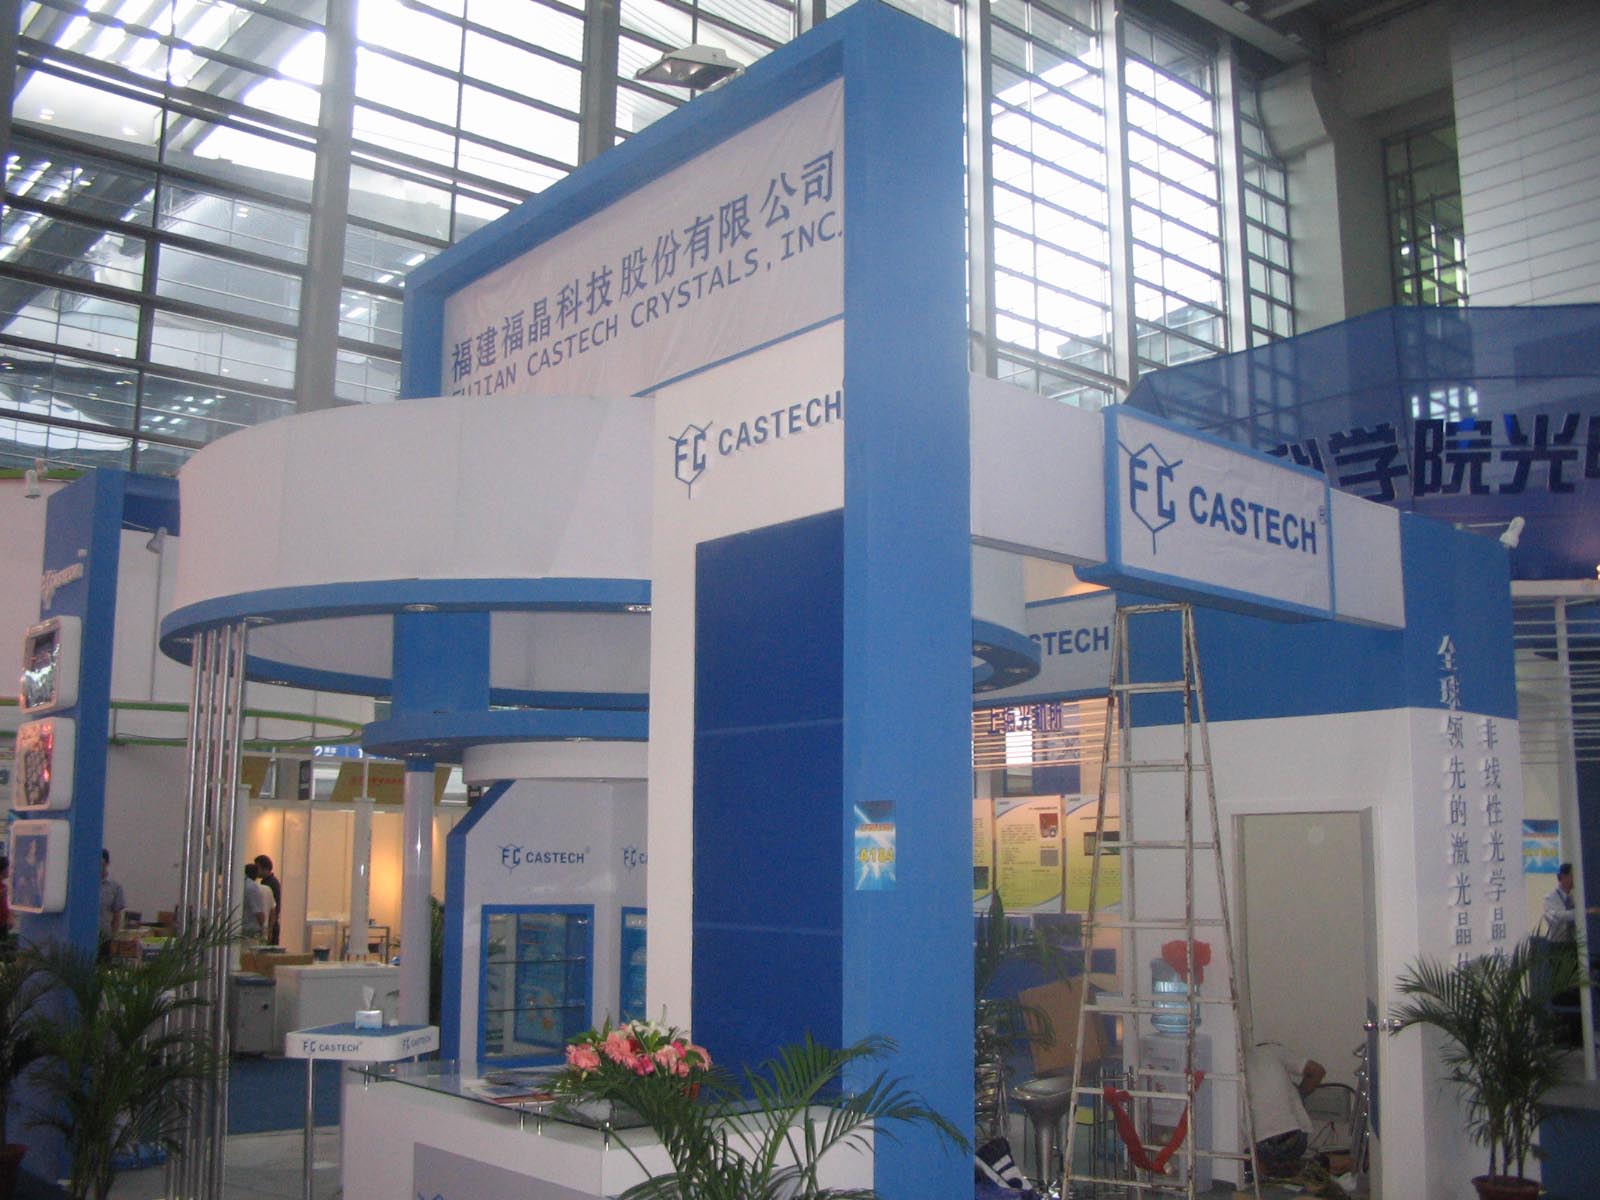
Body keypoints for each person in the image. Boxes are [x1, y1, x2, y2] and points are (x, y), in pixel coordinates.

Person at [1245, 1041, 1325, 1178]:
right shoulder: (1273, 1050)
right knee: (1291, 1089)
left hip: (1259, 1148)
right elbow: (1318, 1071)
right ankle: (1287, 1168)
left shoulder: (1235, 1064)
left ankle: (1265, 1172)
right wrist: (1300, 1096)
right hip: (1294, 1142)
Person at [1542, 862, 1598, 943]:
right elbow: (1557, 916)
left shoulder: (1575, 897)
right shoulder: (1550, 898)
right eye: (1573, 875)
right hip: (1557, 944)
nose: (1576, 879)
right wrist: (1583, 912)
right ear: (1564, 877)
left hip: (1576, 942)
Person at [99, 849, 126, 959]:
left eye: (101, 864)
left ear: (107, 864)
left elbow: (117, 915)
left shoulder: (115, 887)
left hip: (104, 937)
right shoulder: (86, 884)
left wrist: (113, 937)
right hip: (86, 936)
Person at [254, 854, 281, 946]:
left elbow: (273, 908)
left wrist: (269, 930)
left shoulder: (270, 884)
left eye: (257, 868)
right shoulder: (270, 882)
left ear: (265, 868)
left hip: (270, 925)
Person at [242, 863, 270, 941]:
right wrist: (263, 927)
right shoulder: (252, 887)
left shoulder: (240, 884)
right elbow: (258, 912)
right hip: (251, 930)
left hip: (242, 928)